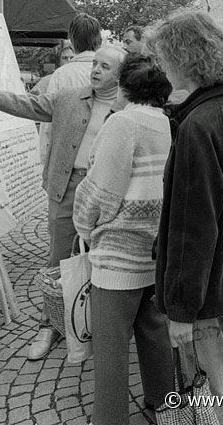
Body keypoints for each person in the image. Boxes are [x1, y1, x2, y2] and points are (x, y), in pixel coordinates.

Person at [0, 45, 127, 360]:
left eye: (105, 66)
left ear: (121, 74)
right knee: (58, 261)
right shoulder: (70, 97)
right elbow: (26, 104)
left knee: (105, 260)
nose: (95, 70)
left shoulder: (129, 109)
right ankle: (50, 324)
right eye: (95, 63)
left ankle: (101, 325)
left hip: (109, 193)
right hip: (68, 189)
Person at [150, 10, 223, 425]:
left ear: (183, 57)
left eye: (164, 56)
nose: (162, 66)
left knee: (218, 385)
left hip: (211, 282)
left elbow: (194, 226)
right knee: (221, 370)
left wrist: (179, 308)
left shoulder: (200, 123)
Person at [72, 54, 174, 423]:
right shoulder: (166, 122)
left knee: (111, 346)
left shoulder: (123, 123)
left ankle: (110, 419)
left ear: (126, 88)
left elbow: (102, 192)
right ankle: (163, 403)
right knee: (153, 330)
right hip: (154, 247)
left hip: (118, 252)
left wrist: (83, 226)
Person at [39, 13, 103, 163]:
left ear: (72, 41)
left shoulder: (61, 75)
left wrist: (44, 157)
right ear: (98, 40)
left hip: (68, 160)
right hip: (100, 157)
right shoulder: (111, 71)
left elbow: (48, 119)